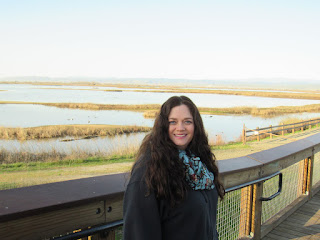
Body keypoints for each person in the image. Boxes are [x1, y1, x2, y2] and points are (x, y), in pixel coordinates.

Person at [123, 95, 225, 240]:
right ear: (163, 126)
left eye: (187, 121)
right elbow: (138, 234)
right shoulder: (148, 172)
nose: (180, 128)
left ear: (196, 125)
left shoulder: (199, 162)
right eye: (173, 122)